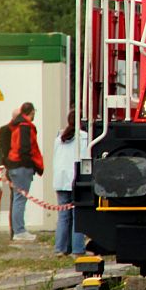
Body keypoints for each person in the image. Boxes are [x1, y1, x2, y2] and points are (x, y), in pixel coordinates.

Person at [6, 102, 43, 241]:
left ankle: (18, 230)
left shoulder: (15, 126)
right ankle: (20, 231)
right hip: (22, 167)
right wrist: (31, 164)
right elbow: (26, 148)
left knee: (17, 199)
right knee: (20, 199)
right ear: (31, 112)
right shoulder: (25, 127)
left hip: (14, 166)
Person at [53, 110, 85, 256]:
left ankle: (60, 248)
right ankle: (77, 249)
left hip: (60, 180)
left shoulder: (59, 138)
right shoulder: (83, 137)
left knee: (63, 217)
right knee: (78, 216)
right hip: (75, 180)